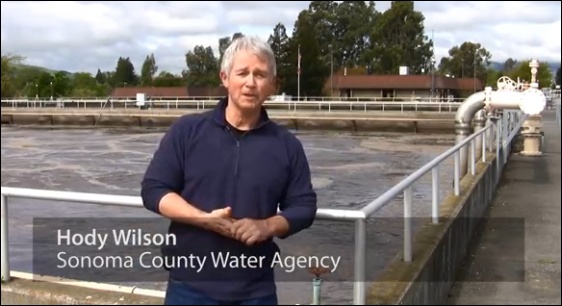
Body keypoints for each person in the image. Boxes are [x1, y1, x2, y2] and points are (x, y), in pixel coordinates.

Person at [140, 35, 318, 305]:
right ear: (224, 77)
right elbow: (154, 190)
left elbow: (304, 207)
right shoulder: (187, 132)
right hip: (189, 287)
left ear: (272, 85)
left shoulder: (287, 145)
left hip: (256, 291)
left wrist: (268, 226)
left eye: (260, 75)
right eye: (242, 73)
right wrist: (204, 219)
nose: (250, 83)